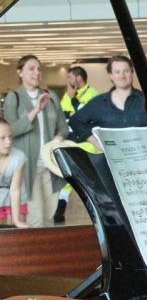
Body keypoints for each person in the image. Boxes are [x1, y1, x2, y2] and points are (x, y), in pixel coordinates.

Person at [3, 55, 68, 227]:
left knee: (49, 217)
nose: (36, 72)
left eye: (39, 69)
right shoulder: (13, 98)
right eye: (31, 68)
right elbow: (12, 130)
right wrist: (36, 110)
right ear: (20, 73)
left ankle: (48, 253)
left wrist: (58, 137)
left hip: (50, 165)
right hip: (26, 168)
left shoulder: (51, 96)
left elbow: (63, 126)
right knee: (36, 219)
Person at [69, 55, 147, 151]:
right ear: (111, 75)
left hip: (144, 157)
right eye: (117, 72)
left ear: (132, 72)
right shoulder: (99, 103)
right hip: (113, 160)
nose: (122, 76)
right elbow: (75, 121)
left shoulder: (146, 100)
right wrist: (97, 143)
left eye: (126, 71)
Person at [56, 66, 99, 223]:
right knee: (66, 178)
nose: (68, 81)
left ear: (79, 78)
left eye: (70, 77)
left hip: (87, 143)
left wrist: (73, 101)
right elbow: (63, 115)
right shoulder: (68, 95)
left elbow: (82, 117)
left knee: (89, 181)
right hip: (71, 141)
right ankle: (60, 210)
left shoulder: (92, 95)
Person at [0, 119, 28, 228]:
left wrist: (16, 221)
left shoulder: (18, 156)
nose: (8, 142)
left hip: (16, 201)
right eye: (2, 138)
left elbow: (15, 189)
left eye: (10, 137)